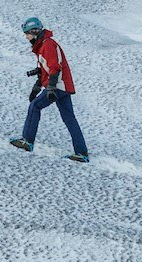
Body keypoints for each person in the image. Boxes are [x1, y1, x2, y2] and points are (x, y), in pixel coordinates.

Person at [8, 17, 88, 162]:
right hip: (62, 86)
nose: (26, 37)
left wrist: (50, 88)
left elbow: (55, 67)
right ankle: (82, 153)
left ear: (35, 32)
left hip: (58, 86)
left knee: (34, 107)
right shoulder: (42, 46)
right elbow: (44, 70)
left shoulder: (48, 45)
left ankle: (27, 141)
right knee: (69, 118)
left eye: (27, 34)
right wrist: (37, 87)